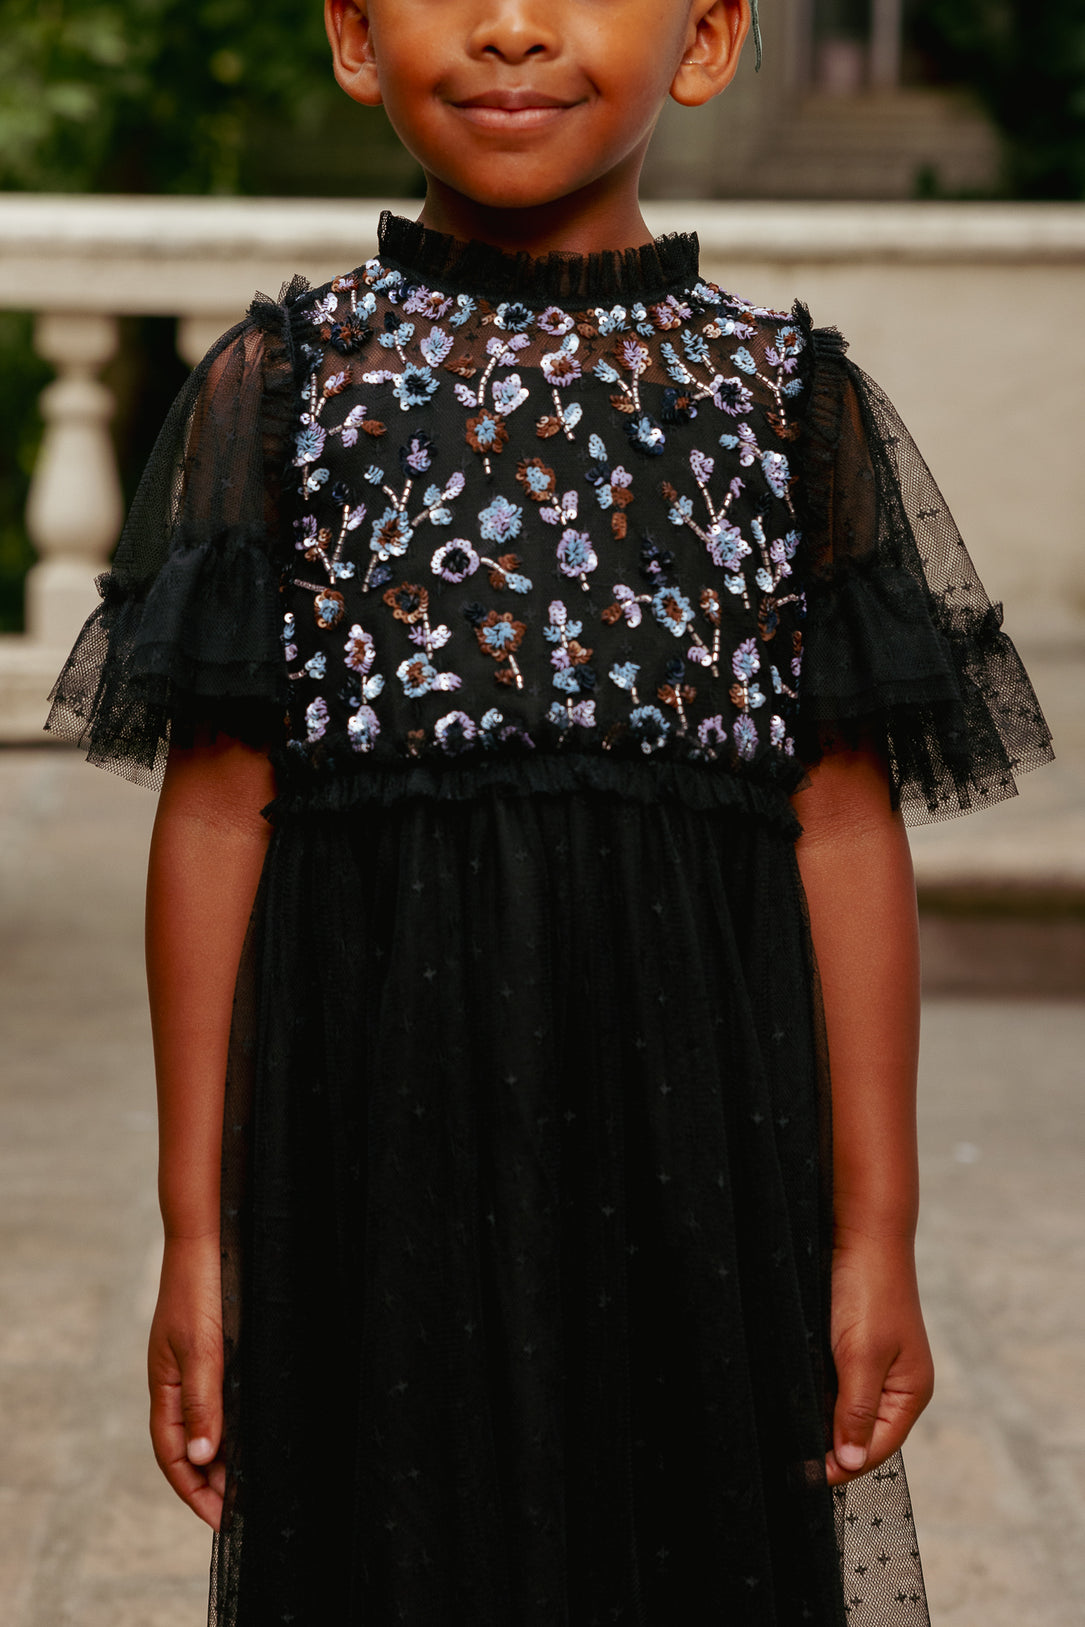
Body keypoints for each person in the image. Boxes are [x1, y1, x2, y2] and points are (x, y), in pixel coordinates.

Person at [48, 1, 1053, 1622]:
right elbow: (219, 811)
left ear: (706, 40)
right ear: (355, 36)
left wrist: (878, 1230)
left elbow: (843, 826)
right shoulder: (283, 389)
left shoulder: (783, 403)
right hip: (371, 1150)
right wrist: (197, 1232)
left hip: (697, 1156)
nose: (512, 27)